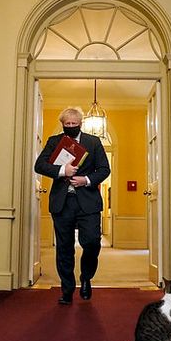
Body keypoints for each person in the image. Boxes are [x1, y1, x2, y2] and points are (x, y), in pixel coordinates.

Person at [34, 107, 111, 305]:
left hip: (89, 202)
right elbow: (39, 165)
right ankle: (67, 290)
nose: (70, 127)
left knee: (92, 242)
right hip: (62, 203)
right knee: (64, 248)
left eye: (73, 124)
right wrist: (62, 170)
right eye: (66, 124)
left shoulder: (93, 143)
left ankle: (86, 278)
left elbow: (104, 169)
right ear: (62, 124)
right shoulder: (54, 142)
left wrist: (85, 179)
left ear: (80, 123)